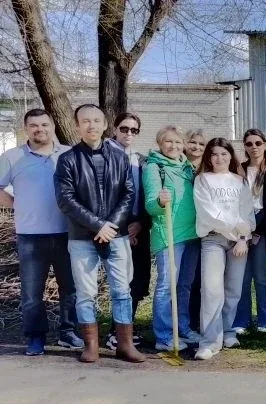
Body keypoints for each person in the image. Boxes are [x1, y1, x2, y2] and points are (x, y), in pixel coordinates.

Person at [54, 104, 145, 363]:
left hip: (117, 235)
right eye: (85, 121)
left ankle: (125, 344)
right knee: (86, 293)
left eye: (96, 120)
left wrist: (111, 225)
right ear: (77, 125)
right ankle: (91, 345)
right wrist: (98, 226)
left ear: (105, 125)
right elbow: (66, 200)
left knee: (122, 291)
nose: (91, 125)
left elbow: (128, 194)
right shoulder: (68, 160)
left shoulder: (120, 158)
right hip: (82, 237)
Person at [0, 109, 82, 356]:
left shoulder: (69, 154)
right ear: (26, 129)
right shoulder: (12, 157)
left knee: (71, 287)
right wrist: (17, 204)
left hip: (67, 232)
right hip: (30, 236)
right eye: (34, 125)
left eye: (44, 124)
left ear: (53, 126)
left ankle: (68, 332)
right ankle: (35, 337)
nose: (40, 129)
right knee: (32, 292)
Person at [192, 138, 255, 360]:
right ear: (208, 158)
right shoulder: (202, 180)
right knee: (211, 291)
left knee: (233, 290)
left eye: (224, 153)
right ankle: (209, 342)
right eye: (214, 154)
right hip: (213, 239)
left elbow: (247, 212)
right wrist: (235, 228)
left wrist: (243, 238)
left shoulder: (240, 181)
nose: (219, 158)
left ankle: (227, 332)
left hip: (239, 241)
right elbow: (208, 213)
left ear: (231, 156)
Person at [143, 126, 201, 352]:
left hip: (192, 234)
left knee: (184, 286)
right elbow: (150, 206)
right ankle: (165, 335)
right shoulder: (154, 167)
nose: (173, 146)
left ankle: (182, 328)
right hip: (168, 236)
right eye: (168, 141)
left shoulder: (187, 168)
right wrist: (159, 201)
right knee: (167, 287)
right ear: (160, 143)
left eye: (178, 142)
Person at [103, 112, 152, 351]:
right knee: (121, 282)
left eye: (134, 130)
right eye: (124, 128)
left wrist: (140, 223)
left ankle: (126, 328)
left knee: (139, 281)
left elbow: (145, 195)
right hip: (113, 228)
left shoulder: (140, 160)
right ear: (114, 129)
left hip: (138, 227)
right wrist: (122, 227)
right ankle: (116, 334)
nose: (129, 133)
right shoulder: (103, 156)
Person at [233, 129, 266, 334]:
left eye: (258, 143)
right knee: (242, 278)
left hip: (264, 228)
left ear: (265, 144)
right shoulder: (238, 170)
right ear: (244, 146)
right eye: (249, 143)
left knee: (261, 276)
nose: (254, 147)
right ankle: (241, 321)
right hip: (240, 228)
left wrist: (260, 230)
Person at [184, 128, 206, 332]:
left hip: (204, 231)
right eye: (193, 142)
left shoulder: (207, 169)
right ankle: (183, 322)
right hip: (184, 230)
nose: (197, 147)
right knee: (185, 280)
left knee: (200, 279)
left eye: (201, 144)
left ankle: (196, 321)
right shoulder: (179, 166)